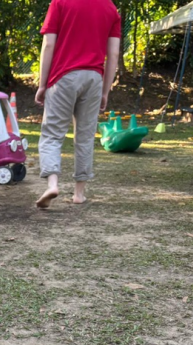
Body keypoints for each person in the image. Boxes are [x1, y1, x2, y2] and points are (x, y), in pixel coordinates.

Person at [34, 0, 120, 208]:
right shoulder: (110, 8)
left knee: (53, 134)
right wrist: (105, 90)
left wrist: (42, 84)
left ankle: (52, 184)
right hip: (94, 78)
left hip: (63, 76)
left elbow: (49, 44)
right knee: (85, 137)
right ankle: (79, 193)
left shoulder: (60, 3)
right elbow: (114, 54)